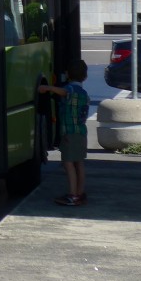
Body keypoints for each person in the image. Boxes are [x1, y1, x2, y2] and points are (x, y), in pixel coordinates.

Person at [39, 58, 89, 206]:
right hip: (81, 133)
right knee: (79, 163)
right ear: (85, 77)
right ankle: (80, 193)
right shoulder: (84, 93)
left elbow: (64, 91)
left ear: (67, 74)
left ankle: (72, 195)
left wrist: (47, 88)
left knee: (68, 164)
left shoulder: (71, 89)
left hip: (70, 133)